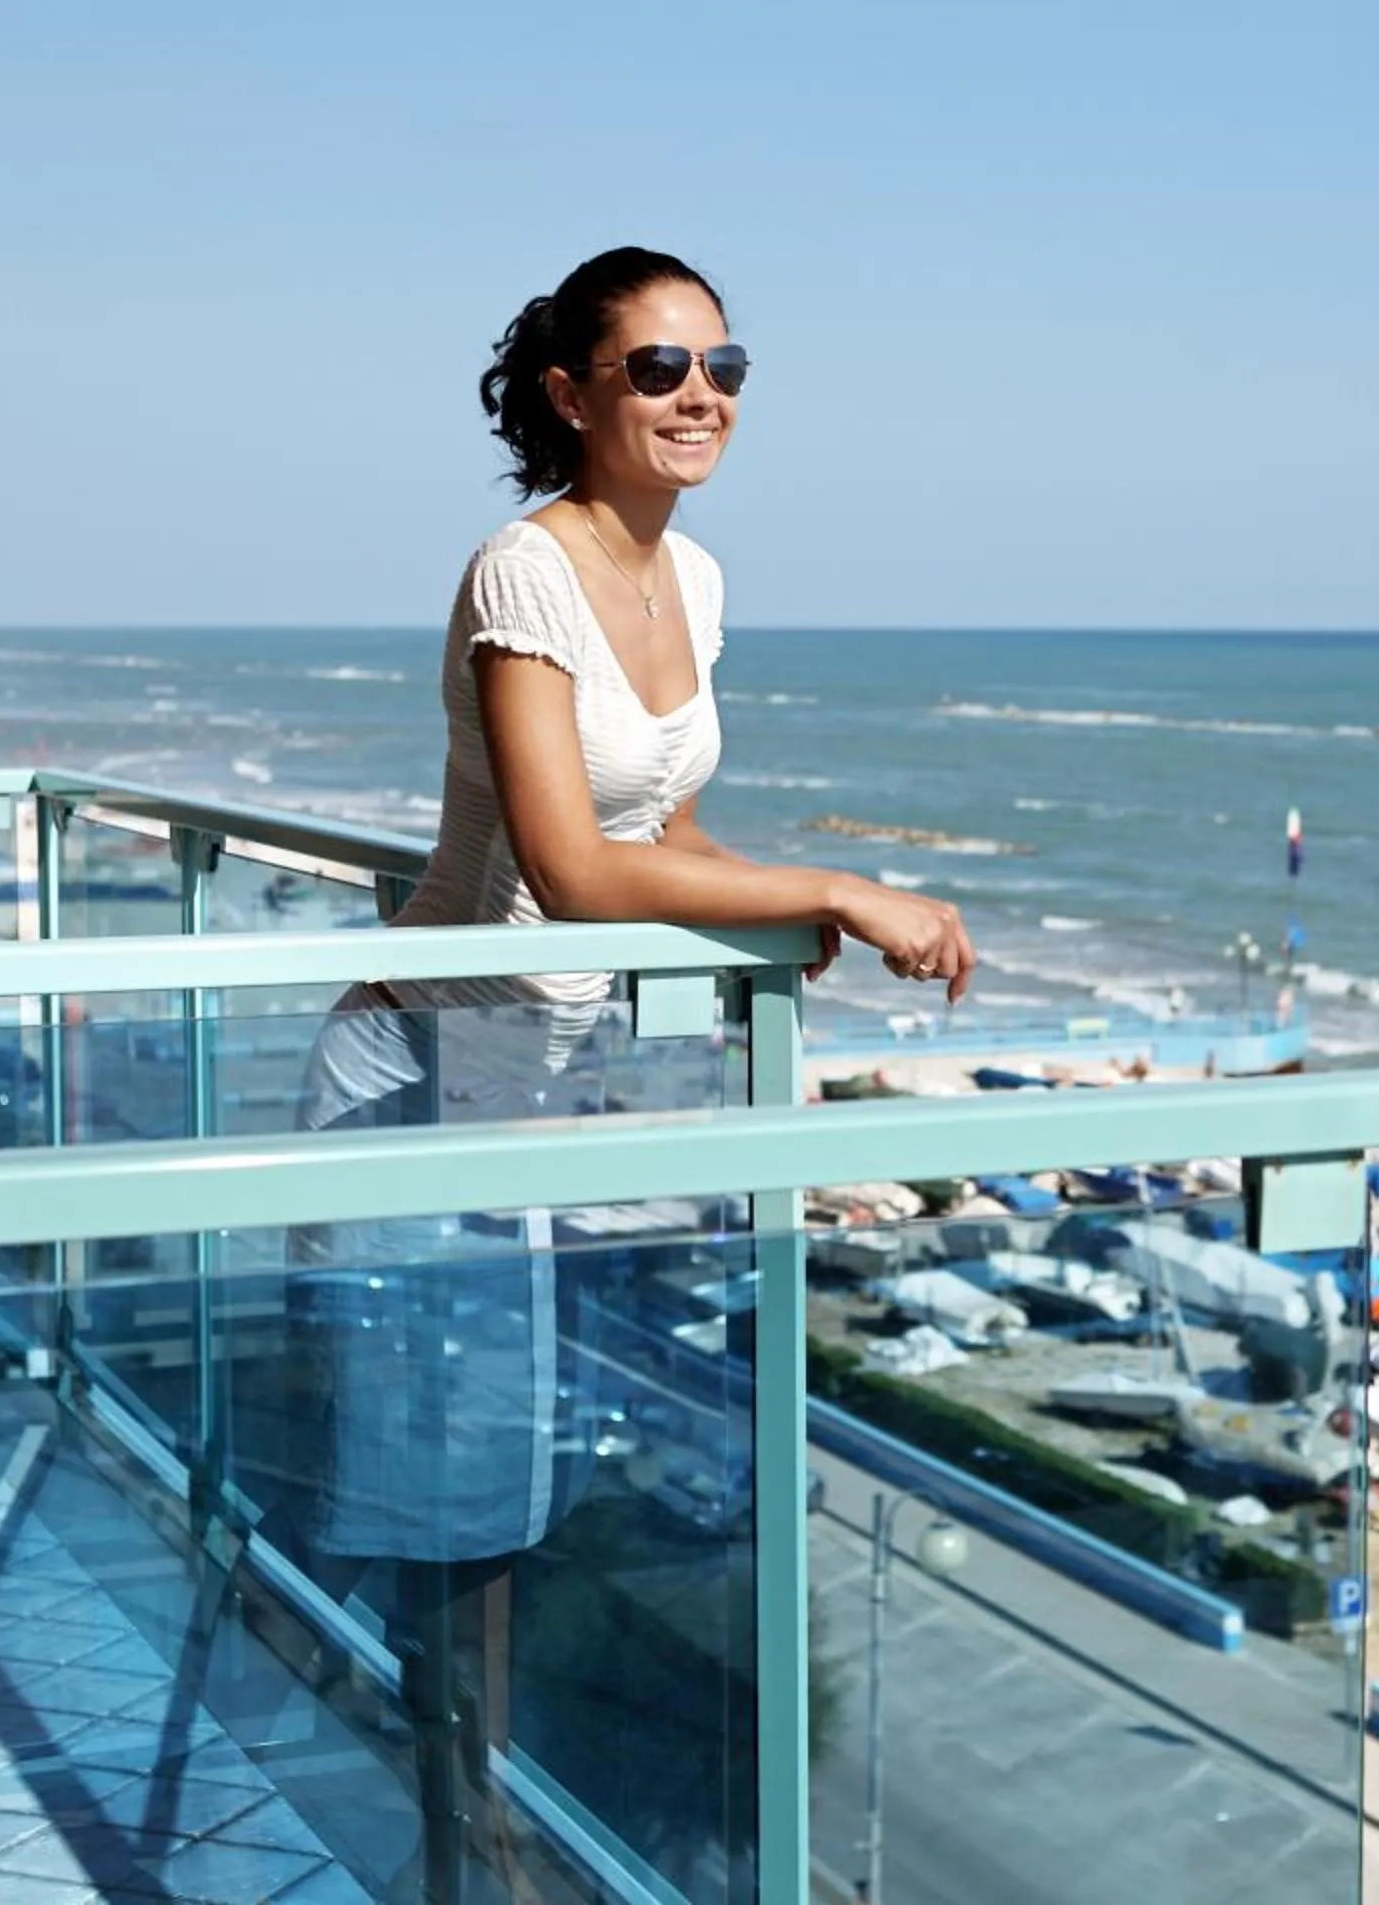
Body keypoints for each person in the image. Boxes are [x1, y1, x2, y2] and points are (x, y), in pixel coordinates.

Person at [279, 246, 975, 1900]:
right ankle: (403, 1829)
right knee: (418, 1515)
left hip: (519, 1098)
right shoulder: (523, 575)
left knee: (488, 1508)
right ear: (569, 394)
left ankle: (464, 1839)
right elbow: (575, 870)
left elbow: (666, 830)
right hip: (413, 1073)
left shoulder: (697, 581)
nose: (699, 394)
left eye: (724, 366)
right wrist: (834, 882)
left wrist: (783, 910)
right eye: (659, 368)